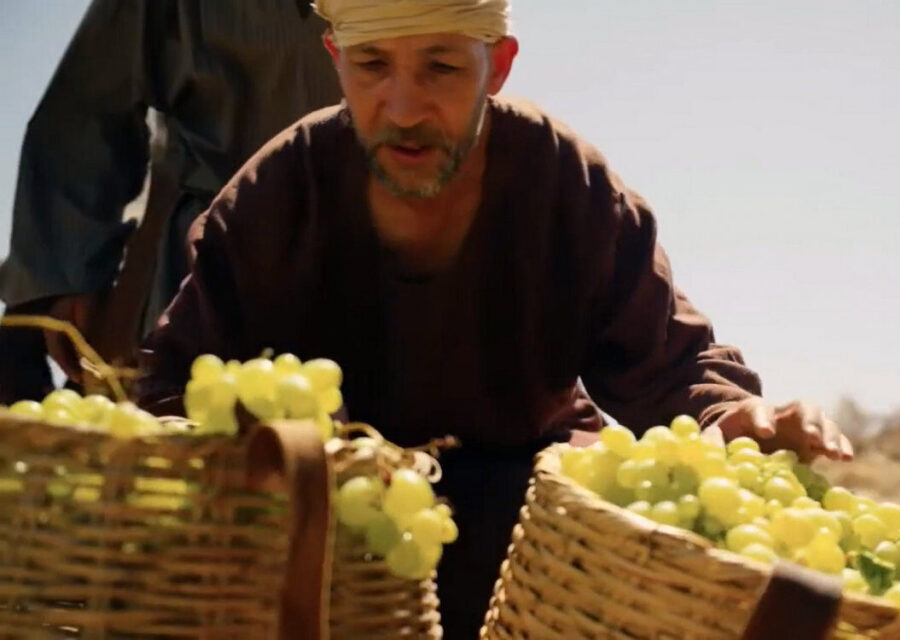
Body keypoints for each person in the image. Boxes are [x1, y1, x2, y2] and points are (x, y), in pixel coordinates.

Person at [137, 0, 855, 636]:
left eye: (442, 67)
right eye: (372, 65)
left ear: (498, 65)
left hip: (532, 538)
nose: (404, 107)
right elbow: (176, 386)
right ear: (335, 60)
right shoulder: (275, 194)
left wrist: (729, 414)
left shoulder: (565, 182)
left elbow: (668, 359)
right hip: (335, 538)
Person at [0, 0, 341, 402]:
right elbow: (91, 103)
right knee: (189, 424)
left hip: (377, 257)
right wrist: (58, 277)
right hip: (203, 266)